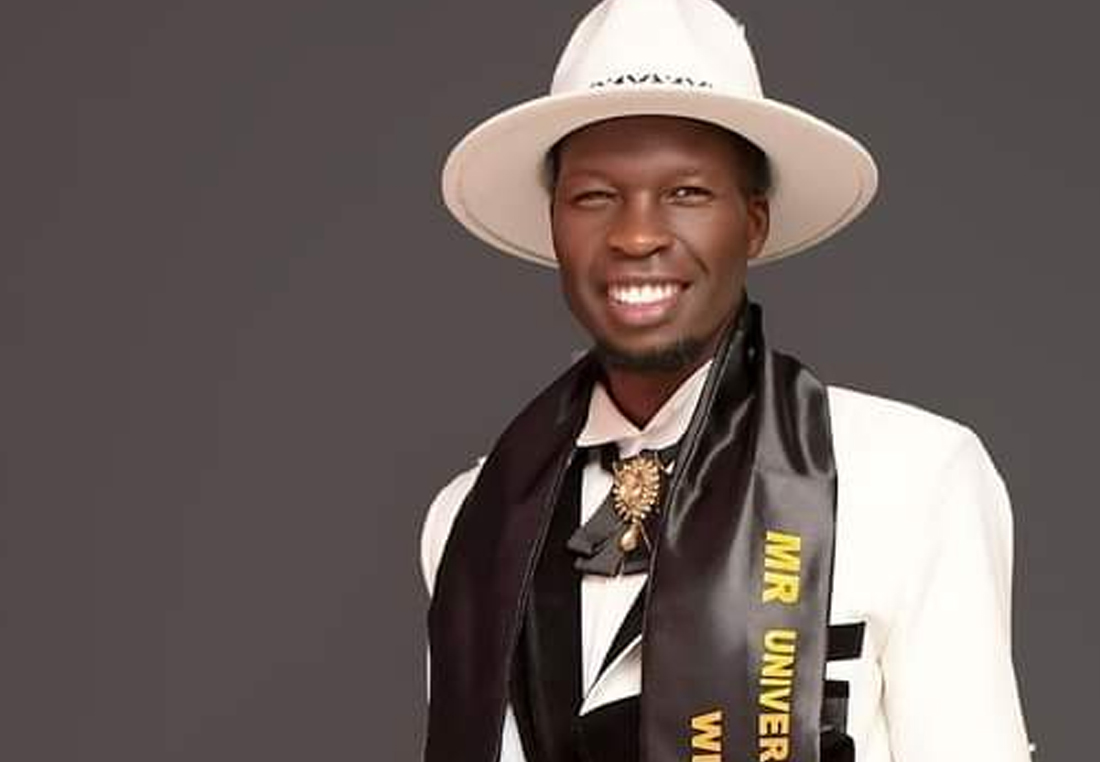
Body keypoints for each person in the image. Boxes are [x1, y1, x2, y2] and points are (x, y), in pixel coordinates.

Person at [420, 1, 1032, 760]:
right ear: (555, 224)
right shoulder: (473, 519)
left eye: (687, 193)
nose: (637, 235)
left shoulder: (915, 476)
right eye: (595, 197)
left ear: (754, 220)